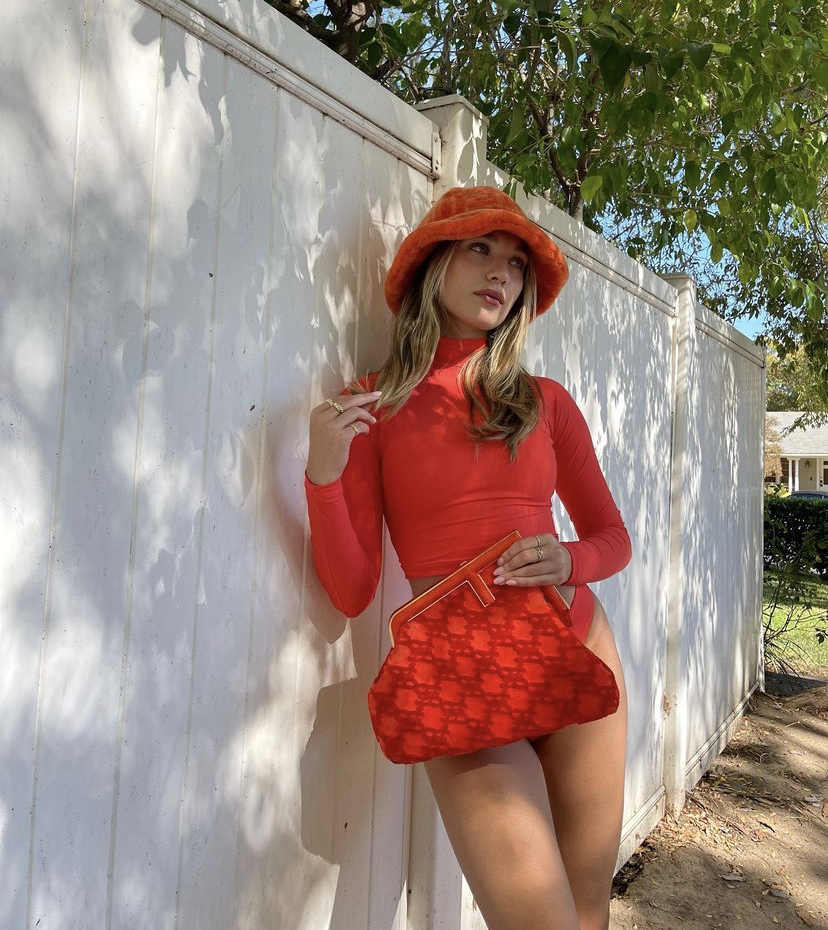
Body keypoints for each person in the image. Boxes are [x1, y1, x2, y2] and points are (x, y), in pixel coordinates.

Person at [303, 185, 632, 930]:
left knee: (587, 914)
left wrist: (569, 560)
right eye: (480, 249)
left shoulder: (546, 402)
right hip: (461, 680)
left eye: (515, 263)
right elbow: (352, 591)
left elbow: (612, 538)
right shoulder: (374, 405)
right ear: (433, 262)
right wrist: (322, 476)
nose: (500, 273)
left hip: (577, 645)